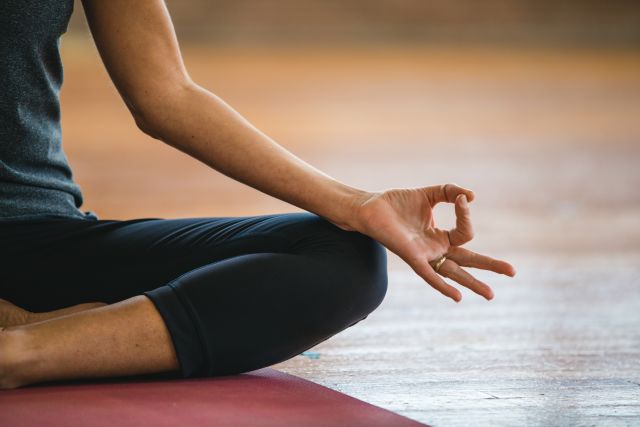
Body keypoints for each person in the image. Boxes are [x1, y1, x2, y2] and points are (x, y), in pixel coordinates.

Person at [0, 0, 516, 389]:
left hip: (34, 235)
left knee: (346, 258)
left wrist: (358, 206)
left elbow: (167, 96)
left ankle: (22, 348)